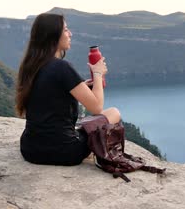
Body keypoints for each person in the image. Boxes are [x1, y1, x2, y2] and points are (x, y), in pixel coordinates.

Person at [16, 13, 121, 166]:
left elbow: (50, 92)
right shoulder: (62, 67)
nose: (70, 33)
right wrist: (98, 74)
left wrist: (80, 86)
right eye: (65, 30)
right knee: (114, 113)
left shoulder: (31, 66)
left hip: (30, 150)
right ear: (53, 36)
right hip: (65, 151)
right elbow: (97, 108)